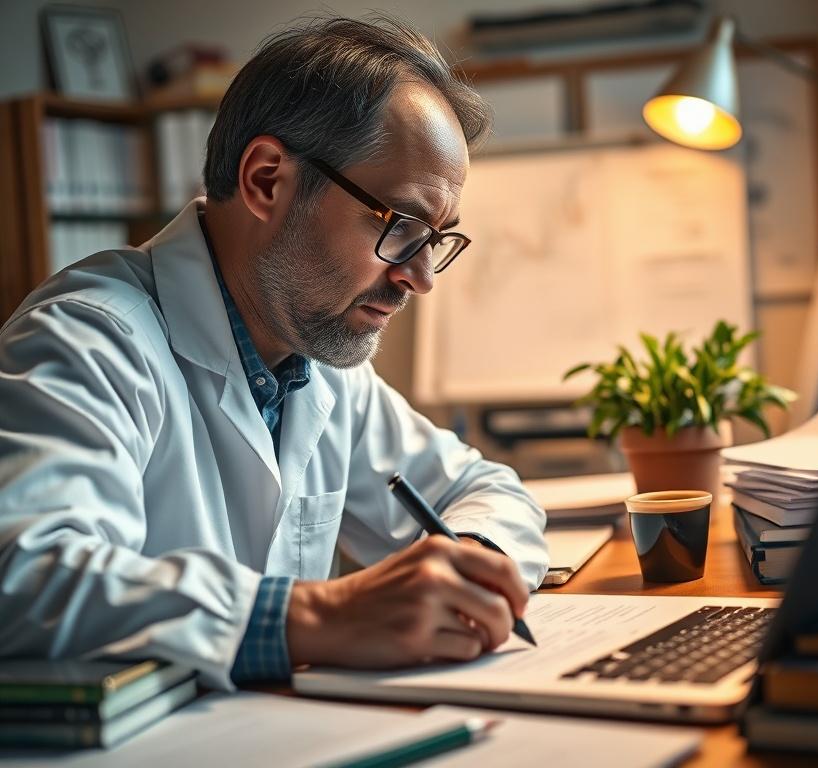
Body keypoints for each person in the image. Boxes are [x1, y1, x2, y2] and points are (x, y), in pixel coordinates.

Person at [0, 16, 548, 690]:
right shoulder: (88, 338)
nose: (420, 277)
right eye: (401, 225)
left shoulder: (317, 358)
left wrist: (473, 572)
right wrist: (317, 615)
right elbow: (26, 576)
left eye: (436, 239)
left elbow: (481, 488)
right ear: (265, 180)